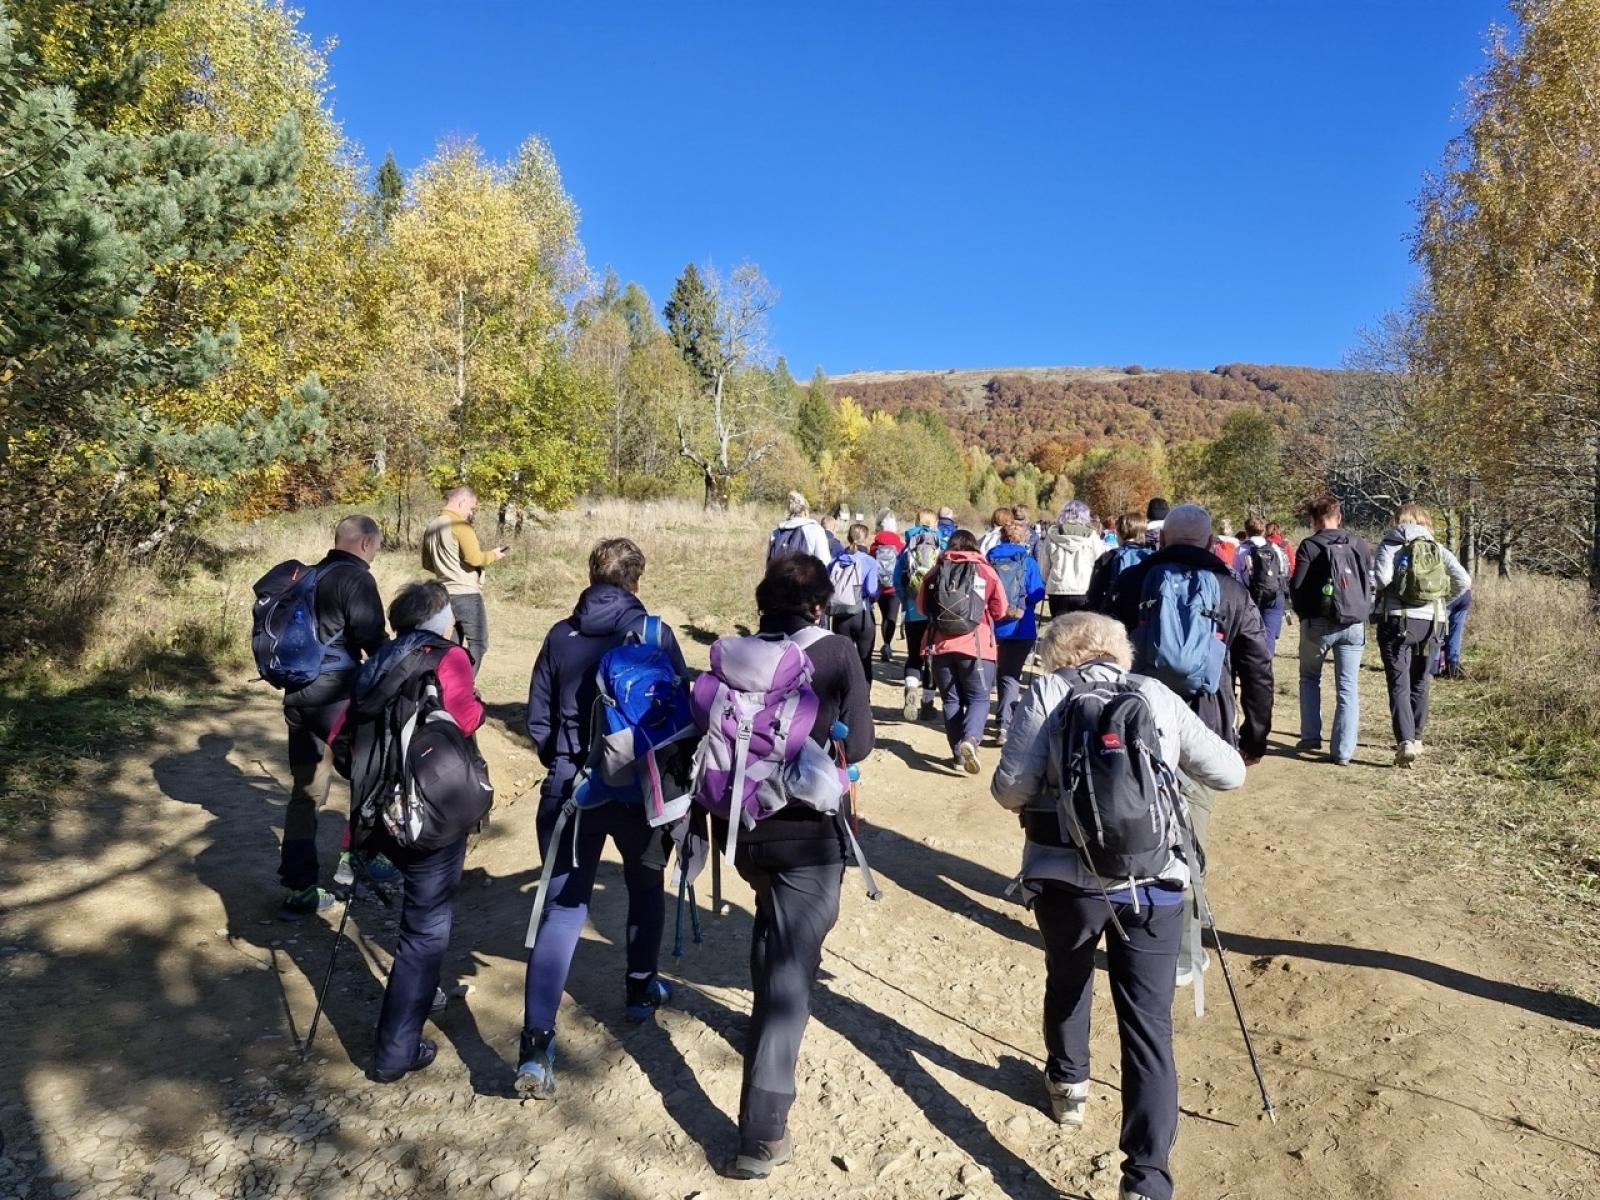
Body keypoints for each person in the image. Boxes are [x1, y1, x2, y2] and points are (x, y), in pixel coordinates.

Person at [992, 613, 1245, 1200]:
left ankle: (1070, 1085)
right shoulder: (1154, 694)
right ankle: (1147, 1179)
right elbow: (1228, 773)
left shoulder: (1048, 693)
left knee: (1069, 978)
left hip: (1066, 883)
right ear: (1119, 652)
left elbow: (1009, 790)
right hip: (1155, 883)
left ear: (1058, 654)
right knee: (1149, 1027)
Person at [517, 538, 690, 1098]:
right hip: (642, 791)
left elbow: (537, 719)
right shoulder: (655, 635)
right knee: (645, 888)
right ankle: (640, 990)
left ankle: (535, 1049)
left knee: (563, 911)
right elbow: (680, 718)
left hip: (573, 789)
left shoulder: (559, 635)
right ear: (636, 582)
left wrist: (566, 763)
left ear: (590, 576)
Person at [721, 554, 874, 1179]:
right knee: (791, 975)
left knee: (773, 928)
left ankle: (763, 1036)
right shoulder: (836, 652)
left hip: (746, 826)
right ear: (819, 604)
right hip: (810, 835)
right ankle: (761, 1135)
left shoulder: (738, 654)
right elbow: (859, 744)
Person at [1109, 503, 1271, 987]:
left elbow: (1099, 653)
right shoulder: (1230, 589)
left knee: (1135, 824)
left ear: (1162, 540)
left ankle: (1129, 927)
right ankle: (1182, 952)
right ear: (1207, 543)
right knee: (1188, 837)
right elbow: (1258, 666)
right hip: (1203, 726)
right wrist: (1254, 736)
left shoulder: (1133, 581)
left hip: (1134, 724)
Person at [331, 581, 484, 1083]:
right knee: (424, 930)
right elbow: (466, 716)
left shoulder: (374, 661)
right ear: (439, 618)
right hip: (426, 811)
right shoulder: (449, 658)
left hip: (377, 810)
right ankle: (395, 1051)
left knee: (416, 923)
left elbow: (339, 735)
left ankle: (424, 993)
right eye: (448, 614)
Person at [275, 514, 386, 920]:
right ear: (366, 543)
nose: (375, 554)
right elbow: (373, 642)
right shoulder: (356, 579)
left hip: (297, 697)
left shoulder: (309, 575)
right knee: (368, 775)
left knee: (306, 791)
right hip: (336, 698)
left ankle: (299, 888)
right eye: (376, 547)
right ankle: (356, 866)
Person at [1372, 503, 1471, 767]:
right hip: (1433, 625)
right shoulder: (1437, 549)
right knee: (1421, 680)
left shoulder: (1390, 544)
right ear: (1425, 523)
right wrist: (1442, 603)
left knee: (1399, 682)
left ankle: (1404, 742)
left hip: (1398, 622)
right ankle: (1416, 737)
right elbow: (1464, 581)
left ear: (1399, 521)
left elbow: (1381, 580)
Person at [1290, 494, 1374, 767]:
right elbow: (1367, 581)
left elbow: (1297, 587)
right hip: (1353, 623)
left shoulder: (1309, 546)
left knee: (1309, 678)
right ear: (1340, 517)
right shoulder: (1358, 544)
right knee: (1348, 687)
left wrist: (1304, 615)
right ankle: (1343, 752)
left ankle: (1311, 735)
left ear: (1313, 520)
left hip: (1318, 623)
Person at [919, 529, 1006, 773]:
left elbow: (922, 606)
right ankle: (971, 739)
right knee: (979, 697)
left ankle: (958, 756)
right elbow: (1000, 609)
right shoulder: (986, 571)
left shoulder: (936, 571)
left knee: (951, 700)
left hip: (940, 646)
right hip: (977, 647)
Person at [421, 486, 505, 676]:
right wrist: (493, 555)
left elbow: (427, 563)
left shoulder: (433, 526)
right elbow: (475, 558)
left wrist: (446, 569)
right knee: (478, 643)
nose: (470, 513)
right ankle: (464, 686)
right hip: (466, 593)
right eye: (472, 508)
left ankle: (441, 685)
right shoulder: (461, 526)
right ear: (462, 502)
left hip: (442, 594)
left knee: (448, 644)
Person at [986, 521, 1047, 745]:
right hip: (1021, 627)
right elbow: (1037, 592)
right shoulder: (1027, 561)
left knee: (988, 674)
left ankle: (975, 720)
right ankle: (1004, 726)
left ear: (1001, 536)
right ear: (1023, 539)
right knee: (1010, 677)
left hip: (992, 625)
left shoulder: (989, 558)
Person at [895, 510, 943, 721]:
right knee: (931, 659)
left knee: (914, 656)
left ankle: (911, 690)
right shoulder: (943, 546)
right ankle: (928, 704)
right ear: (935, 524)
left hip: (913, 612)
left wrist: (907, 601)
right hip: (935, 613)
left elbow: (897, 581)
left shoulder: (907, 547)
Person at [828, 522, 882, 683]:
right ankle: (864, 702)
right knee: (864, 660)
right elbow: (872, 590)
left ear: (848, 537)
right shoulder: (869, 561)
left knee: (842, 661)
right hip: (861, 614)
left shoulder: (835, 562)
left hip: (839, 615)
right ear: (866, 539)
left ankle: (842, 700)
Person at [1037, 499, 1108, 617]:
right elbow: (1100, 564)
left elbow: (1044, 565)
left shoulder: (1052, 536)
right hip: (1084, 589)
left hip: (1058, 589)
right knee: (1082, 631)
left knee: (1060, 630)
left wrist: (1045, 581)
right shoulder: (1092, 537)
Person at [1232, 516, 1290, 659]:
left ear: (1246, 530)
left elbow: (1237, 575)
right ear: (1264, 530)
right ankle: (1266, 666)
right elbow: (1283, 571)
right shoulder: (1275, 548)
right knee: (1269, 633)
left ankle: (1252, 664)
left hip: (1251, 595)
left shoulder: (1241, 550)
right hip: (1274, 594)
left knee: (1250, 631)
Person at [1086, 512, 1152, 615]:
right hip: (1144, 614)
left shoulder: (1107, 557)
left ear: (1119, 532)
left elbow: (1094, 593)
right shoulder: (1151, 557)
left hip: (1115, 615)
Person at [868, 512, 906, 662]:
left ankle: (880, 645)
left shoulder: (874, 545)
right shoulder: (900, 545)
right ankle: (887, 645)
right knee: (891, 617)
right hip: (894, 587)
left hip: (879, 587)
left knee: (883, 616)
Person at [768, 491, 833, 564]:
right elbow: (825, 563)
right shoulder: (815, 530)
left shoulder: (776, 532)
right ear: (805, 511)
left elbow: (769, 565)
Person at [1434, 587, 1472, 680]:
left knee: (1436, 631)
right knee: (1455, 633)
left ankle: (1434, 668)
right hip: (1464, 593)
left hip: (1445, 595)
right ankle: (1453, 668)